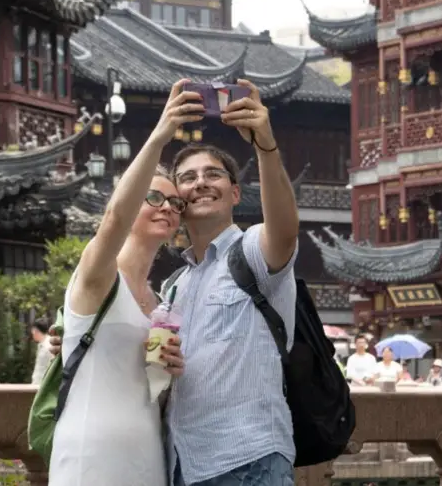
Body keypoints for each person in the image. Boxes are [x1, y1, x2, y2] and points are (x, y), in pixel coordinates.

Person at [50, 77, 301, 486]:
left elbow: (286, 231)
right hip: (176, 463)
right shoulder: (174, 289)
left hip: (247, 459)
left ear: (236, 193)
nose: (200, 182)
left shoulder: (252, 253)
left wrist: (265, 146)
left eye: (214, 174)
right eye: (187, 179)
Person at [48, 79, 197, 486]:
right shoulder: (96, 276)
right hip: (91, 451)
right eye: (153, 198)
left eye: (175, 203)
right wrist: (161, 135)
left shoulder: (162, 299)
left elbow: (150, 387)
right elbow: (114, 218)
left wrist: (171, 371)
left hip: (148, 451)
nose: (167, 207)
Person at [30, 317, 53, 385]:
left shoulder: (49, 345)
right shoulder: (41, 345)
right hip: (37, 384)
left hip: (44, 385)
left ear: (35, 330)